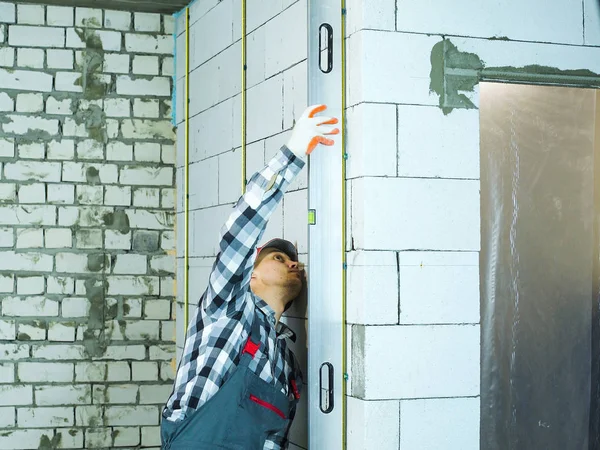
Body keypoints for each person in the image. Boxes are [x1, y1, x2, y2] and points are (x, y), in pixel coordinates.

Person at [161, 105, 340, 449]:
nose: (292, 265)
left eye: (293, 262)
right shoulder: (227, 311)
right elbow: (240, 230)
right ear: (250, 276)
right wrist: (295, 150)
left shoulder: (289, 368)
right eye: (278, 257)